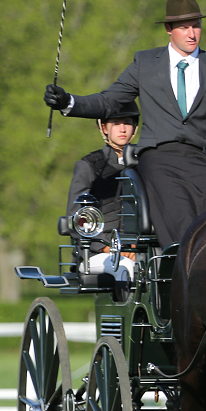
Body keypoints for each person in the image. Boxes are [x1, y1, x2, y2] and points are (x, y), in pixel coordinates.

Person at [44, 0, 206, 247]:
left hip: (202, 159)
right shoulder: (144, 63)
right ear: (169, 29)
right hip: (159, 156)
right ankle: (183, 262)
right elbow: (108, 100)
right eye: (184, 27)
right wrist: (68, 101)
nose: (192, 33)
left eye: (196, 26)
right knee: (178, 210)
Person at [66, 102, 139, 281]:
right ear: (104, 128)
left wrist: (136, 247)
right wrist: (110, 247)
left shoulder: (149, 163)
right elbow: (77, 218)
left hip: (142, 250)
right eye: (116, 123)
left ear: (135, 128)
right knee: (125, 267)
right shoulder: (89, 165)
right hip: (96, 252)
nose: (122, 129)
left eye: (127, 123)